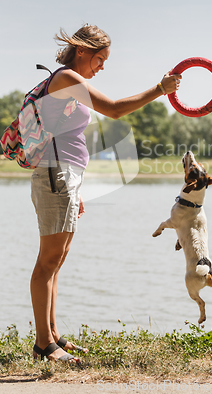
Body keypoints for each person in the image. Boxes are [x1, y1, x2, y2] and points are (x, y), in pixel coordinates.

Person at [30, 24, 182, 362]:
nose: (102, 66)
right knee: (48, 260)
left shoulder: (71, 81)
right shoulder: (67, 78)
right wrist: (160, 89)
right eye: (101, 58)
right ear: (81, 51)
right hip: (55, 174)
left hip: (64, 176)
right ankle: (43, 345)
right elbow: (113, 109)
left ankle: (53, 335)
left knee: (58, 259)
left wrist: (75, 188)